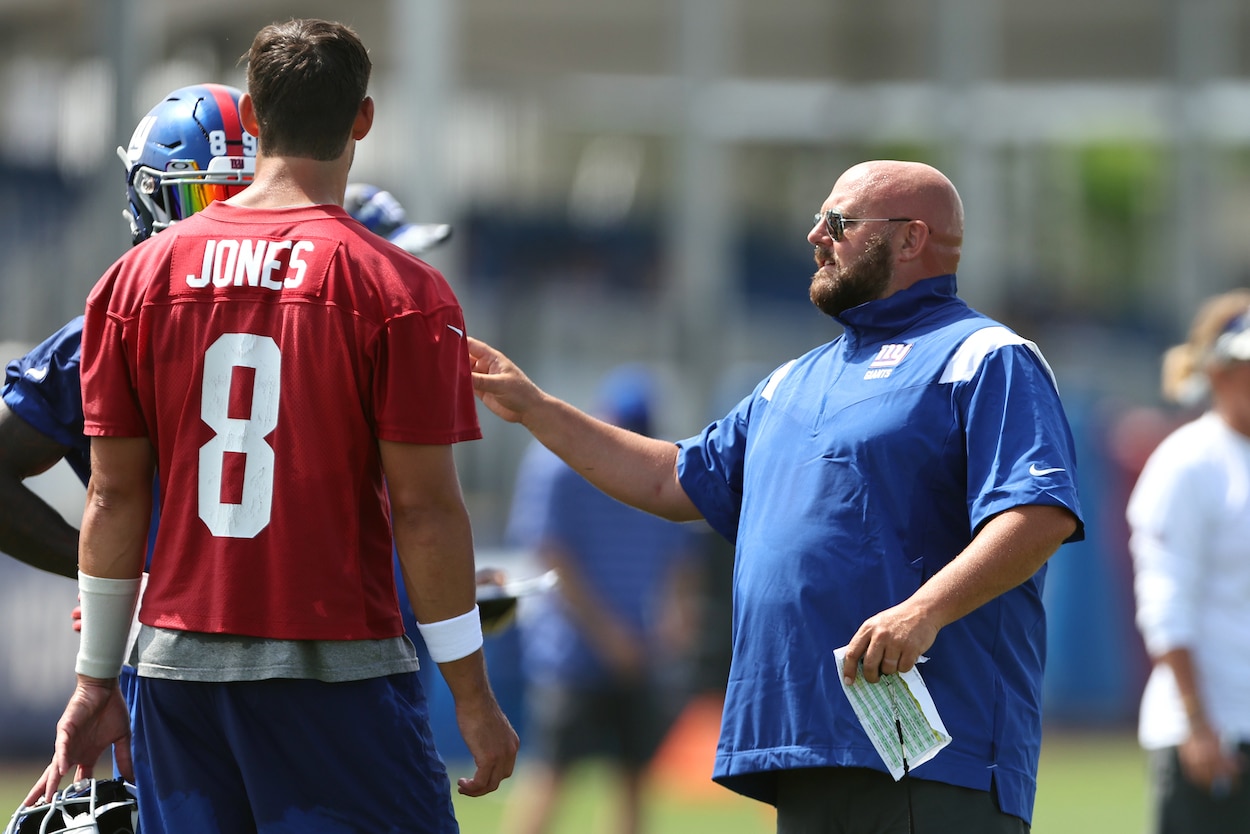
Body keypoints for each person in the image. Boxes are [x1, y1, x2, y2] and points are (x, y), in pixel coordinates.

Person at [468, 159, 1084, 833]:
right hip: (803, 743)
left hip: (931, 752)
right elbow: (671, 480)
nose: (816, 235)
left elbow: (1038, 513)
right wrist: (536, 408)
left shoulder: (986, 357)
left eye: (840, 222)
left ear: (911, 239)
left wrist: (922, 612)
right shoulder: (790, 381)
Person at [24, 18, 517, 834]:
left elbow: (113, 499)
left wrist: (92, 681)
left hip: (176, 674)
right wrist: (471, 693)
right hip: (334, 670)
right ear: (362, 120)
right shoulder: (402, 290)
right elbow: (427, 511)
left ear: (250, 119)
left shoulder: (132, 280)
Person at [501, 365, 701, 834]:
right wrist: (610, 635)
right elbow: (552, 557)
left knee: (634, 779)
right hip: (571, 653)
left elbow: (678, 557)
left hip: (638, 650)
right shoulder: (553, 464)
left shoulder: (658, 462)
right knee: (550, 773)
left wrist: (673, 619)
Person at [1127, 289, 1250, 834]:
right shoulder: (1188, 463)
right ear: (1217, 372)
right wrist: (1197, 723)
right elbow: (1165, 601)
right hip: (1215, 735)